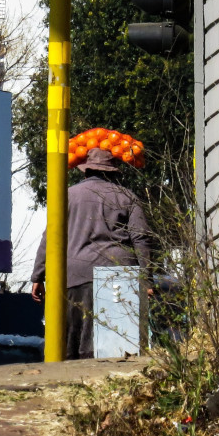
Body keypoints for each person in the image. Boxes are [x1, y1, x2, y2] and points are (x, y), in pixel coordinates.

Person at [30, 148, 152, 360]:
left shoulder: (66, 195)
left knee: (73, 342)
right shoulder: (127, 197)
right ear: (113, 173)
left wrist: (38, 276)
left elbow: (50, 236)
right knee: (118, 345)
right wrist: (147, 279)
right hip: (118, 276)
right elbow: (141, 239)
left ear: (85, 172)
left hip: (73, 276)